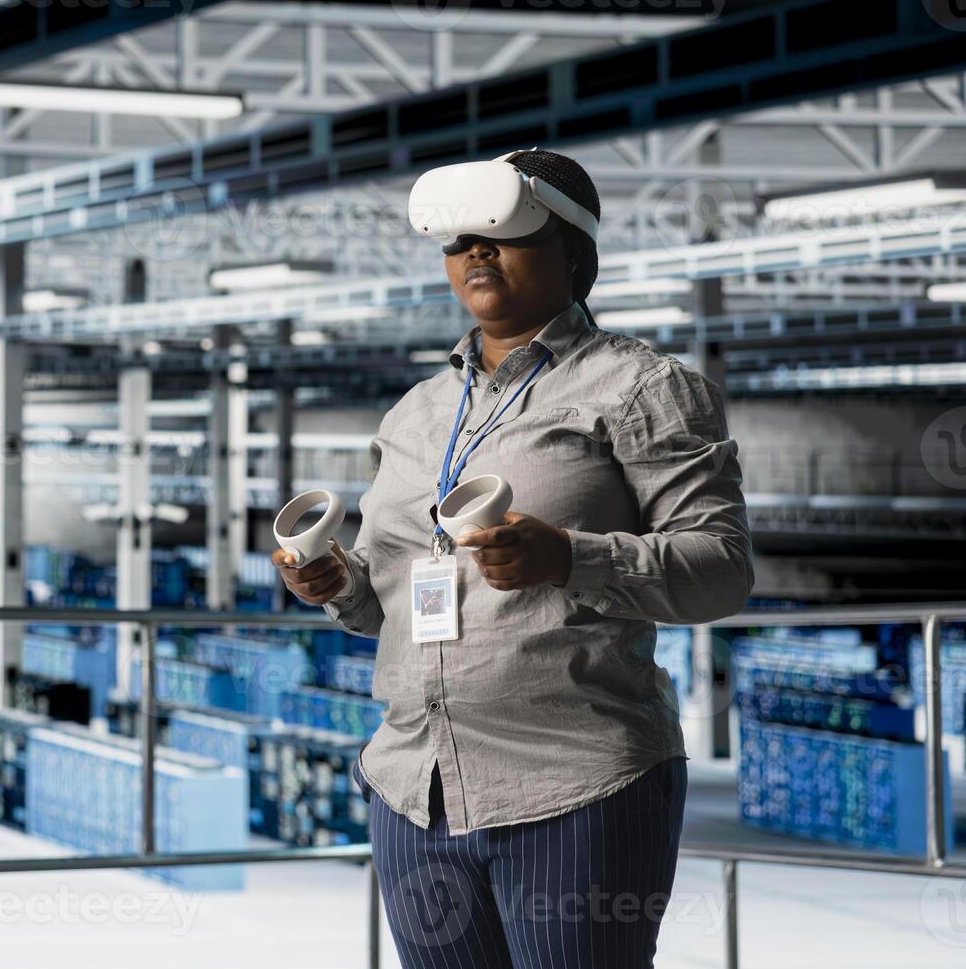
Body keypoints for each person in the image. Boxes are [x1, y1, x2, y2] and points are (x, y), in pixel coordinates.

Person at [270, 149, 753, 969]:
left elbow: (721, 571)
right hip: (413, 789)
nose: (476, 254)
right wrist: (337, 583)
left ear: (573, 252)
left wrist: (569, 557)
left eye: (503, 234)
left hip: (574, 784)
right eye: (459, 242)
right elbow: (385, 604)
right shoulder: (415, 414)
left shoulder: (641, 389)